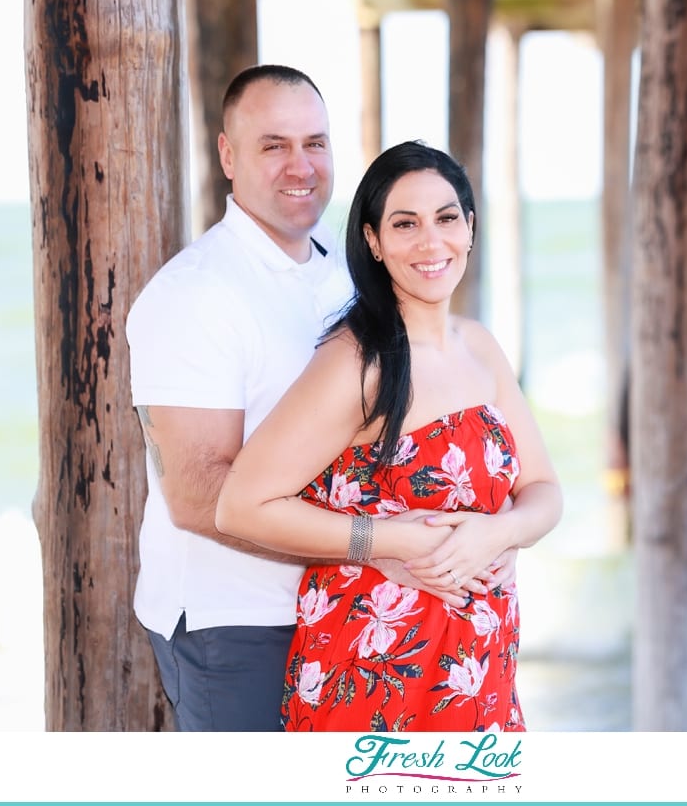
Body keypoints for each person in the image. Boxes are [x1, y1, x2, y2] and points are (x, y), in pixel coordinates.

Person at [126, 66, 502, 732]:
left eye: (316, 143)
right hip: (236, 622)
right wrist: (376, 546)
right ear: (227, 156)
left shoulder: (344, 273)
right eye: (274, 145)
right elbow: (197, 496)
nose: (300, 165)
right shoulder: (195, 294)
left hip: (345, 609)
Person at [215, 140, 562, 732]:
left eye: (446, 218)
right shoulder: (357, 362)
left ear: (470, 228)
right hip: (371, 670)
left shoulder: (479, 346)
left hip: (479, 670)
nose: (432, 242)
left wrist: (500, 532)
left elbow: (545, 489)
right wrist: (385, 542)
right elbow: (240, 506)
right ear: (373, 242)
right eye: (406, 224)